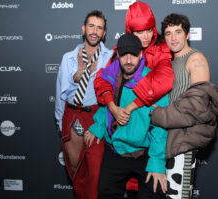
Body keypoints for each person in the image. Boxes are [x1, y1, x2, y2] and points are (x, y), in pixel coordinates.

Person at [94, 1, 174, 192]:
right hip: (118, 144)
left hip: (146, 142)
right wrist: (110, 111)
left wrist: (130, 106)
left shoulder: (161, 52)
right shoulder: (121, 53)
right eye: (139, 32)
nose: (145, 36)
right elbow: (103, 83)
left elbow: (163, 84)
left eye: (148, 30)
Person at [150, 13, 218, 199]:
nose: (173, 38)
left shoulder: (195, 59)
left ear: (187, 34)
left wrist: (157, 115)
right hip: (169, 137)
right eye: (168, 34)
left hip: (185, 139)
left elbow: (197, 106)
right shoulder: (169, 61)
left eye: (178, 32)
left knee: (177, 195)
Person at [84, 33, 169, 199]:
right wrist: (99, 126)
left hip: (144, 152)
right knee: (104, 193)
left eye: (133, 55)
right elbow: (105, 106)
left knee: (154, 194)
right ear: (117, 55)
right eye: (124, 55)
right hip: (115, 150)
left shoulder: (153, 80)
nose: (129, 60)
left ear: (141, 54)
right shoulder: (111, 76)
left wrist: (157, 161)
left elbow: (161, 126)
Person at [55, 10, 113, 199]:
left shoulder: (110, 57)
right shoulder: (68, 58)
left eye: (99, 27)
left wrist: (102, 123)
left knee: (95, 173)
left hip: (95, 117)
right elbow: (60, 94)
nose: (95, 31)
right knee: (76, 171)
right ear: (83, 29)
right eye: (91, 26)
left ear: (104, 33)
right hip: (71, 115)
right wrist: (77, 76)